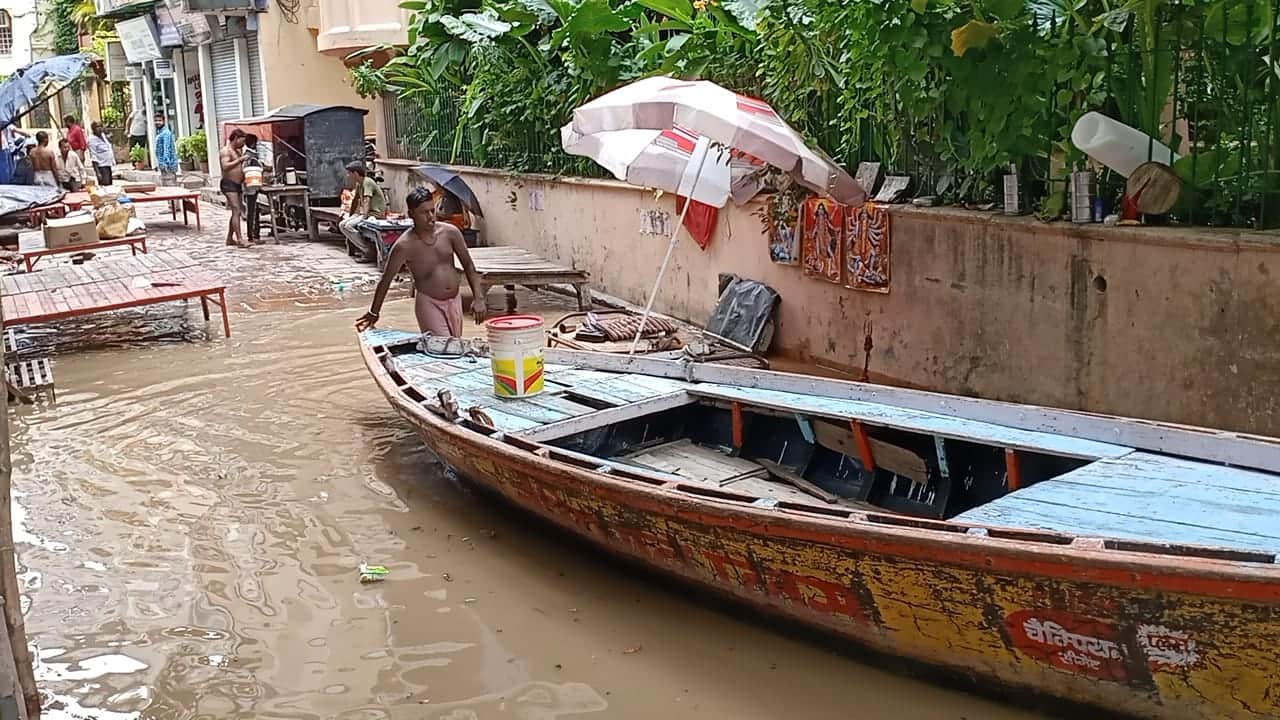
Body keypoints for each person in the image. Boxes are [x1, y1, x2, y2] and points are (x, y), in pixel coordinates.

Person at [356, 187, 486, 338]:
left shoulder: (450, 233)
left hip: (454, 300)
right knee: (443, 347)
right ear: (411, 214)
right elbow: (386, 280)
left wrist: (479, 298)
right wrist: (374, 312)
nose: (431, 216)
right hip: (429, 302)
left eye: (432, 210)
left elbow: (469, 266)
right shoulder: (404, 245)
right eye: (424, 212)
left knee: (456, 346)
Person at [339, 161, 388, 262]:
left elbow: (367, 200)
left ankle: (368, 250)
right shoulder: (359, 184)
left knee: (349, 226)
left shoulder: (367, 182)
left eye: (350, 173)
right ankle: (365, 247)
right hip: (363, 213)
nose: (348, 175)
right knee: (342, 224)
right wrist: (351, 215)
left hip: (374, 214)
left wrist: (364, 218)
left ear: (356, 173)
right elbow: (355, 200)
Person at [219, 129, 249, 248]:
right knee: (236, 210)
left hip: (237, 184)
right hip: (228, 184)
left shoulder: (238, 150)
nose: (243, 143)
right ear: (236, 138)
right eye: (242, 140)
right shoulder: (226, 151)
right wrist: (239, 160)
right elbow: (225, 166)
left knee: (235, 212)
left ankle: (230, 238)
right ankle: (240, 239)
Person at [243, 133, 262, 243]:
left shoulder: (250, 155)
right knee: (252, 211)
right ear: (253, 143)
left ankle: (255, 234)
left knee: (253, 210)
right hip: (251, 187)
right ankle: (252, 236)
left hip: (252, 187)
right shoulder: (249, 155)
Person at [154, 113, 179, 186]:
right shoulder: (160, 133)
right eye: (156, 120)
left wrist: (165, 164)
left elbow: (167, 149)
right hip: (163, 165)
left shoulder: (166, 133)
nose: (157, 122)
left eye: (159, 120)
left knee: (170, 186)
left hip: (168, 166)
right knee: (166, 185)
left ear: (164, 121)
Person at [87, 122, 115, 187]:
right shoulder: (92, 140)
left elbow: (109, 145)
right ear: (93, 129)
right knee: (105, 186)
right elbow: (93, 156)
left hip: (108, 165)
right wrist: (98, 173)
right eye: (97, 127)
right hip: (101, 167)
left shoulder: (103, 136)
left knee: (110, 186)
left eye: (101, 126)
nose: (100, 128)